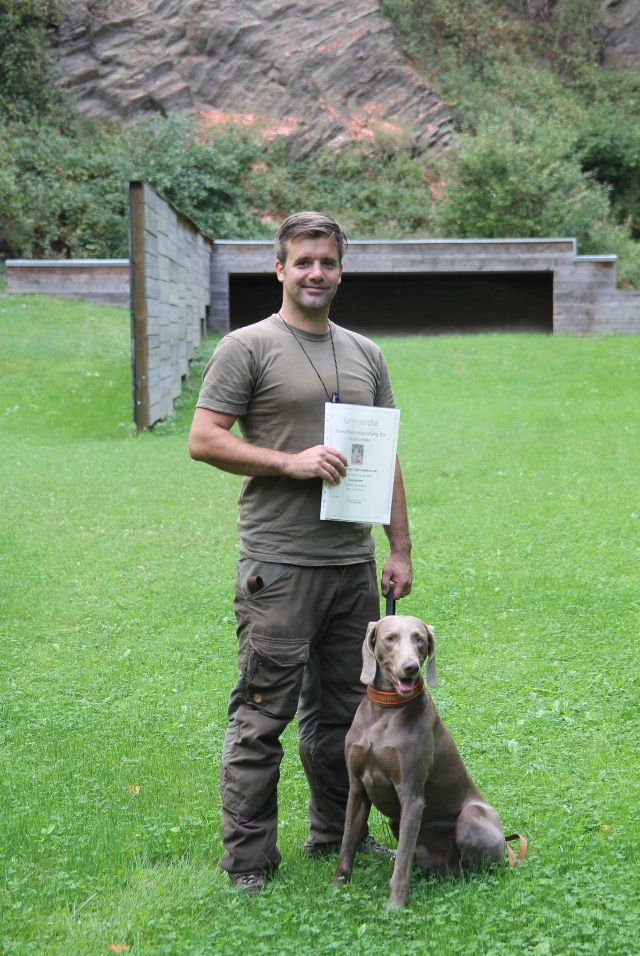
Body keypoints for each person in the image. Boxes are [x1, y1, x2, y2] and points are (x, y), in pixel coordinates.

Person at [188, 211, 412, 895]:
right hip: (279, 567)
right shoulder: (248, 346)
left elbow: (385, 454)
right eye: (304, 261)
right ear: (280, 268)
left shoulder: (365, 352)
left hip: (351, 566)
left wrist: (399, 547)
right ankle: (249, 862)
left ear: (342, 270)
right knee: (262, 718)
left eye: (328, 262)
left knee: (344, 716)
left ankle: (335, 835)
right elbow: (204, 438)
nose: (317, 273)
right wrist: (291, 462)